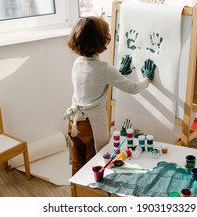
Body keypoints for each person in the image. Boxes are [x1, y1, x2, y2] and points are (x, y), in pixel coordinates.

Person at [64, 16, 156, 175]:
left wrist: (117, 72)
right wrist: (147, 79)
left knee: (78, 164)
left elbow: (93, 82)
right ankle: (95, 195)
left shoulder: (77, 63)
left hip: (74, 123)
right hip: (91, 127)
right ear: (102, 42)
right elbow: (133, 88)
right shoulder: (105, 69)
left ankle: (76, 193)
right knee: (95, 165)